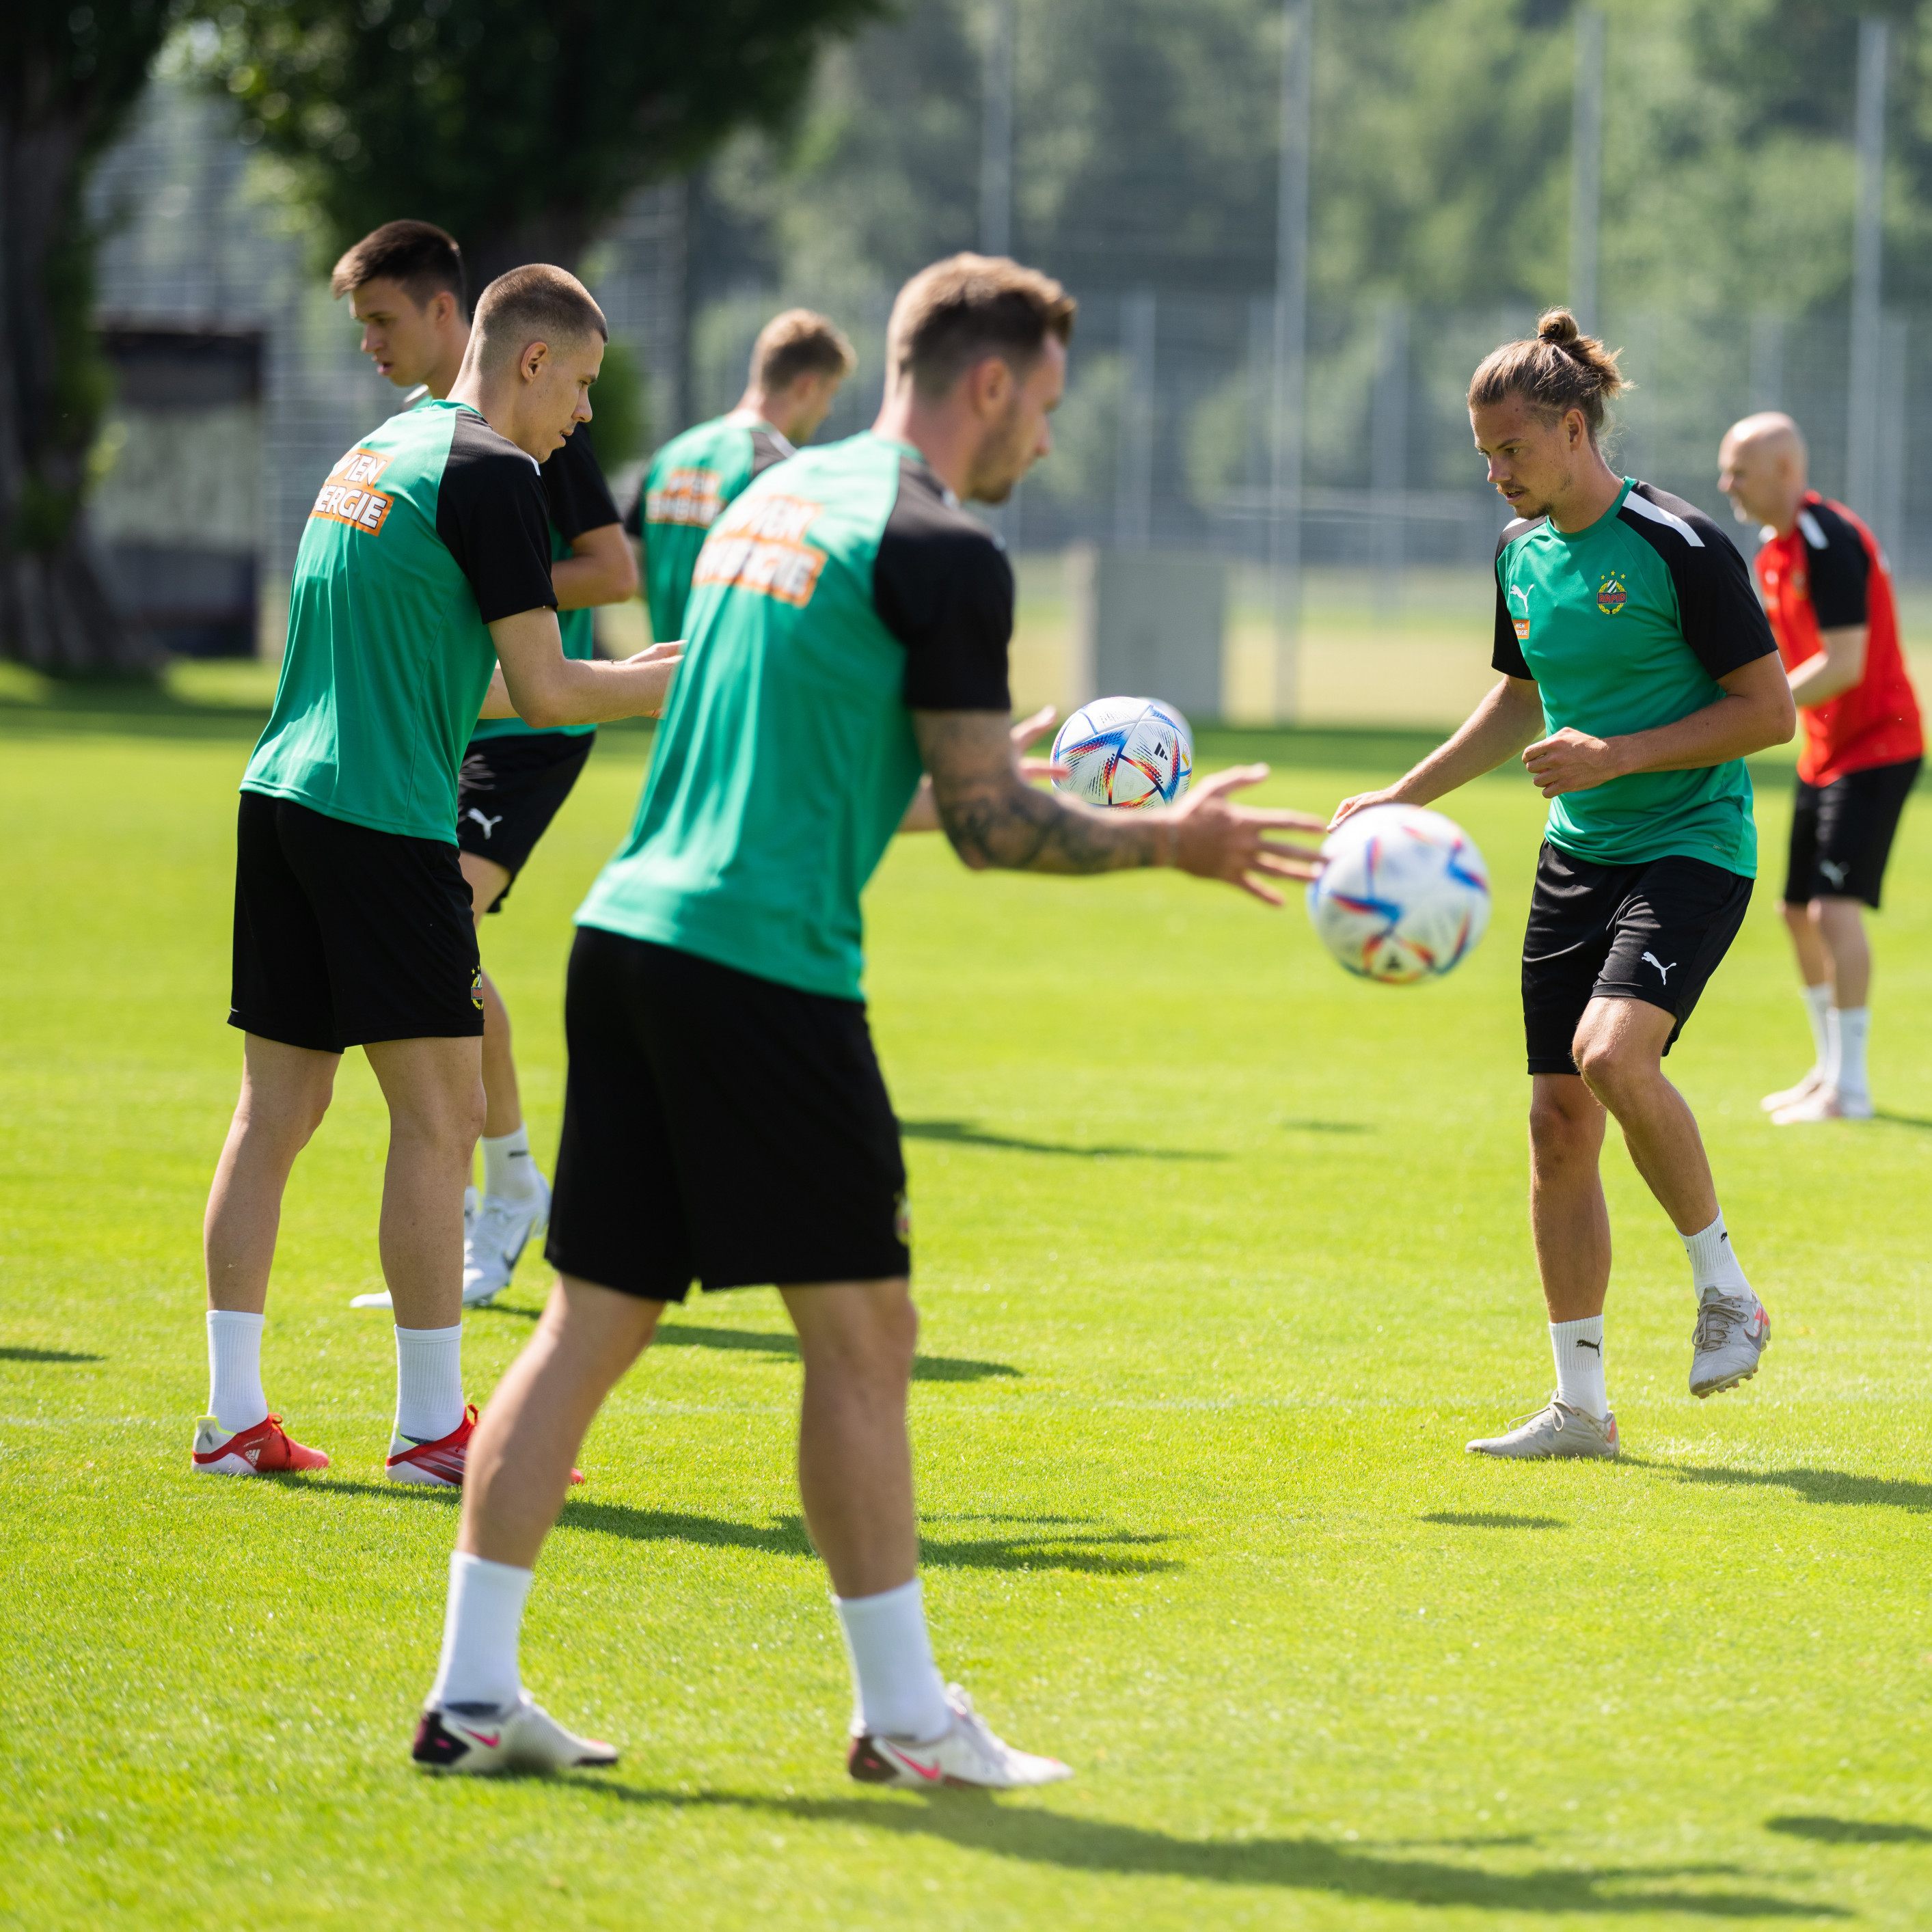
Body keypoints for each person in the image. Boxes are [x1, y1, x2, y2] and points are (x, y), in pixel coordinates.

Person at [411, 254, 1326, 1781]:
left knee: (588, 1325)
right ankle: (905, 1722)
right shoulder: (943, 547)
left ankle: (472, 1693)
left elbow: (821, 765)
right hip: (760, 968)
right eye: (1044, 405)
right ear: (989, 383)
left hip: (629, 938)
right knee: (862, 1337)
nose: (1047, 436)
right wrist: (1170, 843)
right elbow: (989, 826)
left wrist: (1001, 779)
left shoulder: (773, 503)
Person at [194, 267, 680, 1485]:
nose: (583, 415)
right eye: (581, 384)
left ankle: (231, 1416)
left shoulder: (380, 452)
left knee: (274, 1114)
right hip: (382, 820)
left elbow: (477, 683)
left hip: (282, 798)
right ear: (532, 360)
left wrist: (643, 675)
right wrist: (673, 683)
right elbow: (554, 692)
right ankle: (429, 1430)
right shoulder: (496, 473)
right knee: (441, 1114)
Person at [1333, 310, 1795, 1462]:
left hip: (1690, 843)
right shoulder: (1516, 552)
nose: (1496, 472)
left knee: (1610, 1055)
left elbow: (1767, 712)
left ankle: (1726, 1289)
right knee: (1553, 1127)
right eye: (1483, 453)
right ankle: (1580, 1406)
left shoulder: (1676, 543)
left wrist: (1617, 755)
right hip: (1575, 858)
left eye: (1512, 449)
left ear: (1574, 428)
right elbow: (1517, 698)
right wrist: (1401, 797)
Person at [332, 221, 638, 1305]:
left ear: (444, 312)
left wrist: (497, 599)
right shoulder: (411, 441)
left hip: (525, 725)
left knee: (438, 931)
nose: (369, 342)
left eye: (382, 319)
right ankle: (498, 1187)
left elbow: (612, 569)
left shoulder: (538, 421)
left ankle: (505, 1187)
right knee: (427, 947)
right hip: (440, 720)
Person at [1717, 412, 1922, 1124]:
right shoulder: (1773, 551)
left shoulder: (1826, 538)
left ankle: (1852, 1089)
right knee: (1795, 912)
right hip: (1824, 750)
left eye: (1739, 471)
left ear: (1783, 470)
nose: (1727, 484)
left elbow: (1844, 664)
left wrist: (1750, 709)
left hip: (1878, 746)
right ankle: (1828, 1071)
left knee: (1832, 911)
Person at [625, 308, 856, 641]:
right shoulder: (779, 470)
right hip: (732, 668)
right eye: (829, 393)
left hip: (660, 669)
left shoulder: (670, 455)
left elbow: (631, 566)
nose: (828, 410)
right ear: (807, 387)